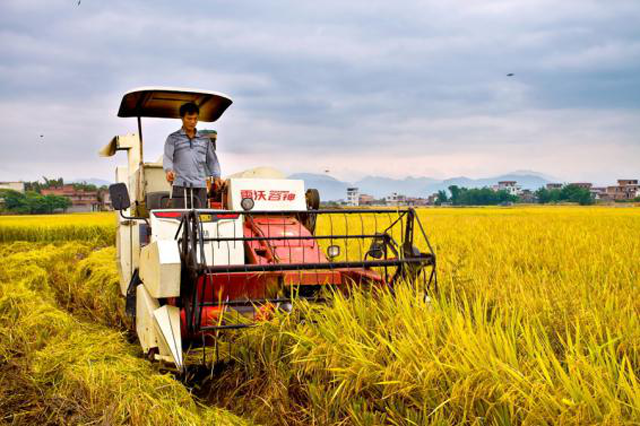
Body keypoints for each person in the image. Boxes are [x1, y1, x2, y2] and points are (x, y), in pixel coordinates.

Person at [163, 102, 223, 208]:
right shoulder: (173, 138)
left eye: (195, 119)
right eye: (189, 118)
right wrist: (168, 171)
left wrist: (217, 176)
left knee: (199, 219)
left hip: (200, 187)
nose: (193, 122)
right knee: (180, 218)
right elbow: (167, 157)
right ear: (182, 118)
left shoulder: (205, 139)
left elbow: (212, 160)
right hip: (180, 186)